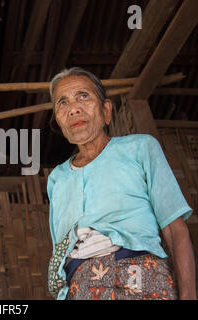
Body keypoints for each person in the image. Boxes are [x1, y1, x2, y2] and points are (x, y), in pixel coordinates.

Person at [46, 67, 197, 300]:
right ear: (58, 119)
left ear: (106, 111)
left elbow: (175, 229)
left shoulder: (140, 148)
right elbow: (60, 252)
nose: (73, 109)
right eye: (62, 103)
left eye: (83, 96)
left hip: (141, 275)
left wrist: (189, 296)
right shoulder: (57, 179)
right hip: (82, 284)